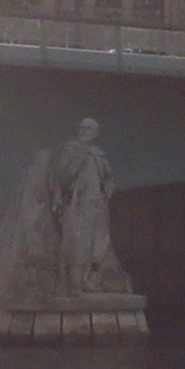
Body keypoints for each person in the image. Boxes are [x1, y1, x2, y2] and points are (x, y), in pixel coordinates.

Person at [51, 118, 118, 295]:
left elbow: (109, 177)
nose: (83, 131)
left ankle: (84, 278)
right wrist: (80, 157)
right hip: (78, 203)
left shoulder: (98, 154)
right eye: (81, 128)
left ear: (95, 133)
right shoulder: (71, 149)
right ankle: (74, 282)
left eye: (88, 129)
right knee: (77, 240)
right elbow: (62, 176)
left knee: (94, 242)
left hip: (96, 203)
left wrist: (108, 190)